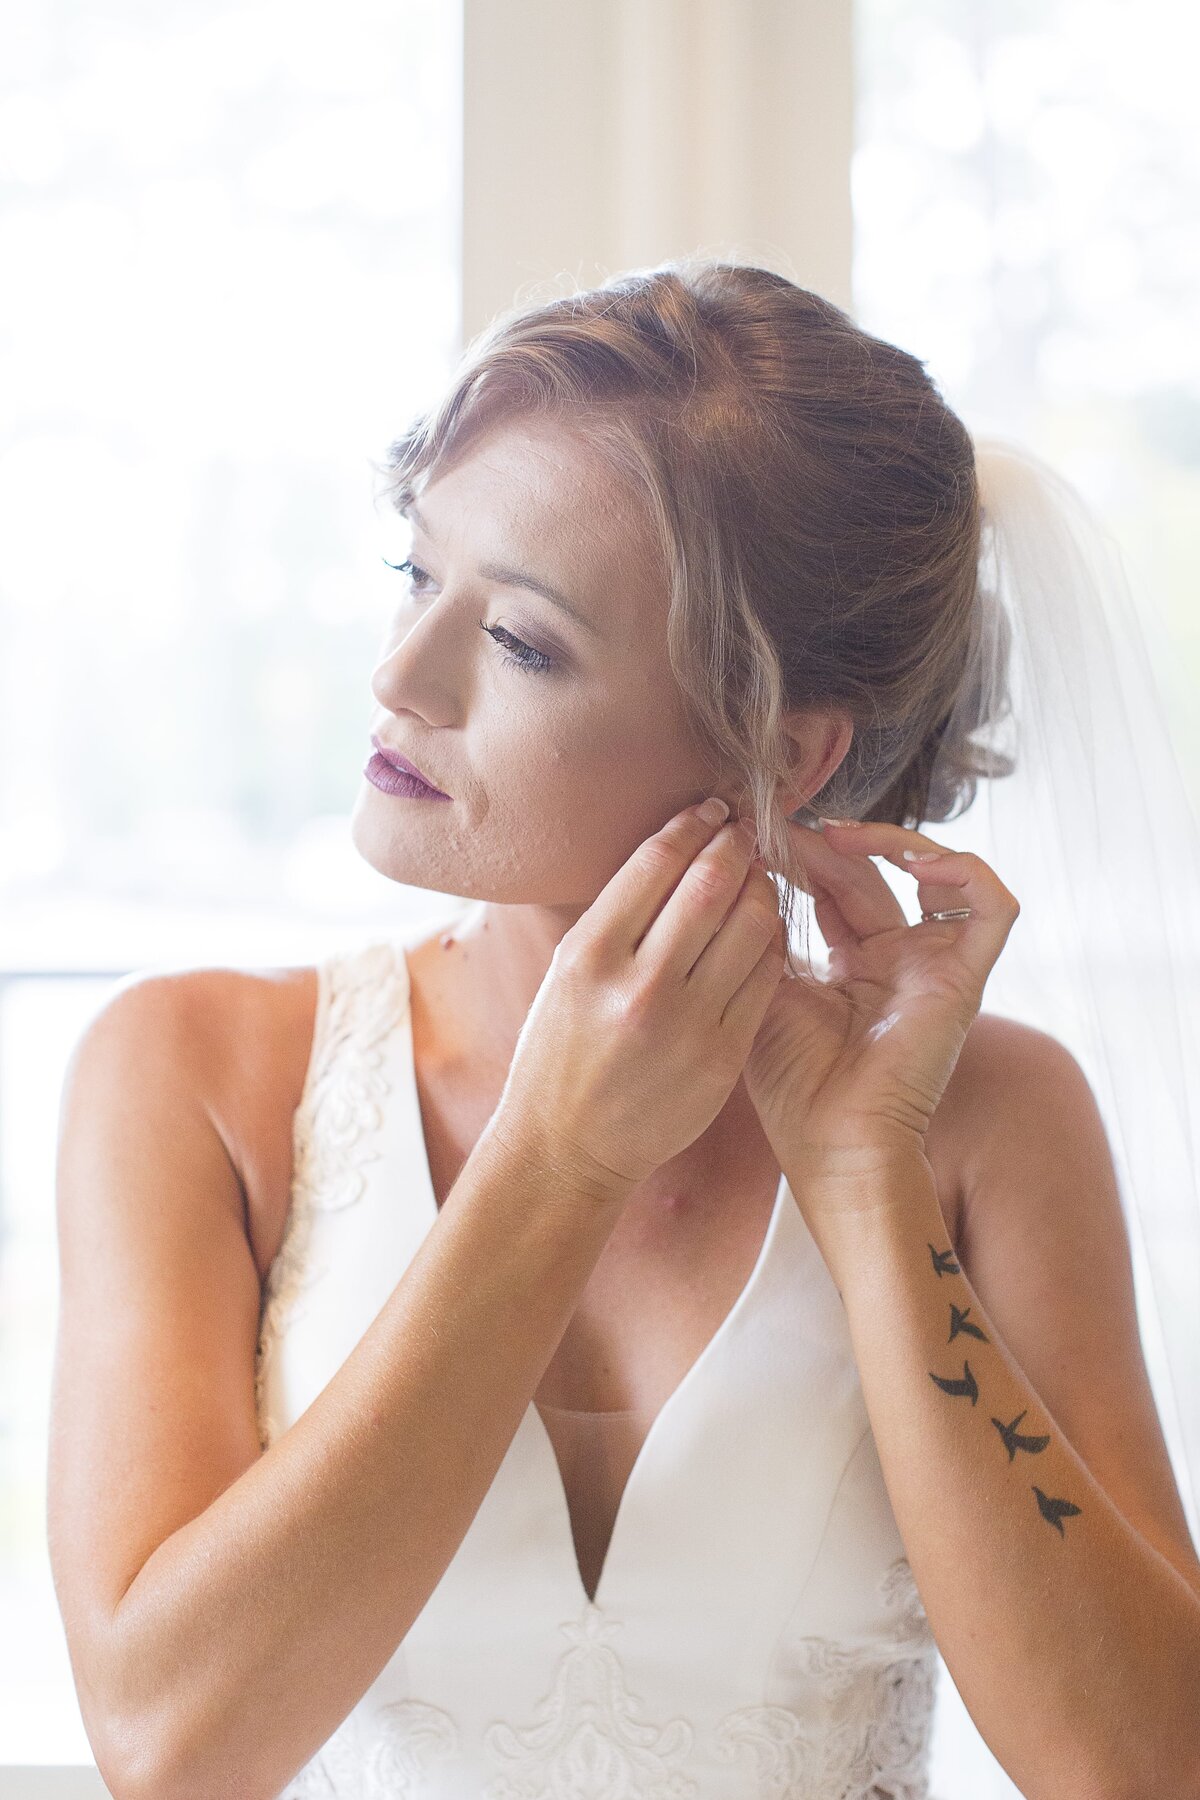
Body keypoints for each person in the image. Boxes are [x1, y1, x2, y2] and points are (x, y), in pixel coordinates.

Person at [49, 259, 1200, 1800]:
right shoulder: (194, 1076)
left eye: (520, 640)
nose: (400, 676)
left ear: (783, 751)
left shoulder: (988, 1119)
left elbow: (1140, 1768)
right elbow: (169, 1746)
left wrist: (867, 1178)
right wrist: (557, 1157)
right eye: (416, 577)